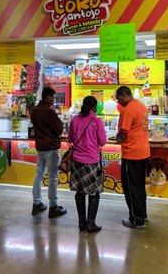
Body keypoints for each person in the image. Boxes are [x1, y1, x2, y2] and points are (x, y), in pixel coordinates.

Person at [68, 96, 106, 233]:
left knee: (79, 192)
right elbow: (102, 142)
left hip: (77, 162)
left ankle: (81, 223)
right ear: (94, 107)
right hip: (92, 161)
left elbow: (70, 138)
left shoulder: (74, 119)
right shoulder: (97, 121)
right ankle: (91, 223)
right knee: (94, 193)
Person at [115, 86, 150, 230]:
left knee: (131, 189)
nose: (118, 101)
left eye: (118, 98)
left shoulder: (127, 110)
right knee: (140, 187)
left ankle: (137, 221)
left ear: (124, 96)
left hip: (131, 154)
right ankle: (142, 215)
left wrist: (117, 139)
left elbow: (123, 133)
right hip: (143, 152)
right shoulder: (141, 106)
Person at [31, 87, 67, 218]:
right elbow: (58, 129)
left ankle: (36, 203)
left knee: (38, 174)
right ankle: (53, 206)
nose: (54, 100)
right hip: (51, 148)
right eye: (53, 97)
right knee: (53, 177)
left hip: (40, 146)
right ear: (47, 97)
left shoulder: (34, 110)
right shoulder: (49, 111)